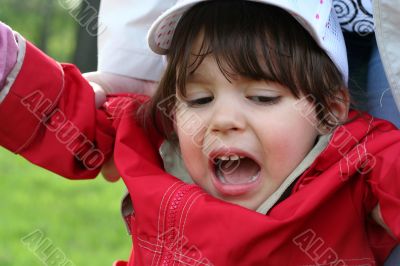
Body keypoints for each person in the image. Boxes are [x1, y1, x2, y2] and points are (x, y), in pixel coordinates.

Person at [1, 1, 399, 265]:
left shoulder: (356, 164)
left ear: (328, 110)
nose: (223, 120)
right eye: (199, 99)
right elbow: (56, 112)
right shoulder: (160, 138)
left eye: (261, 97)